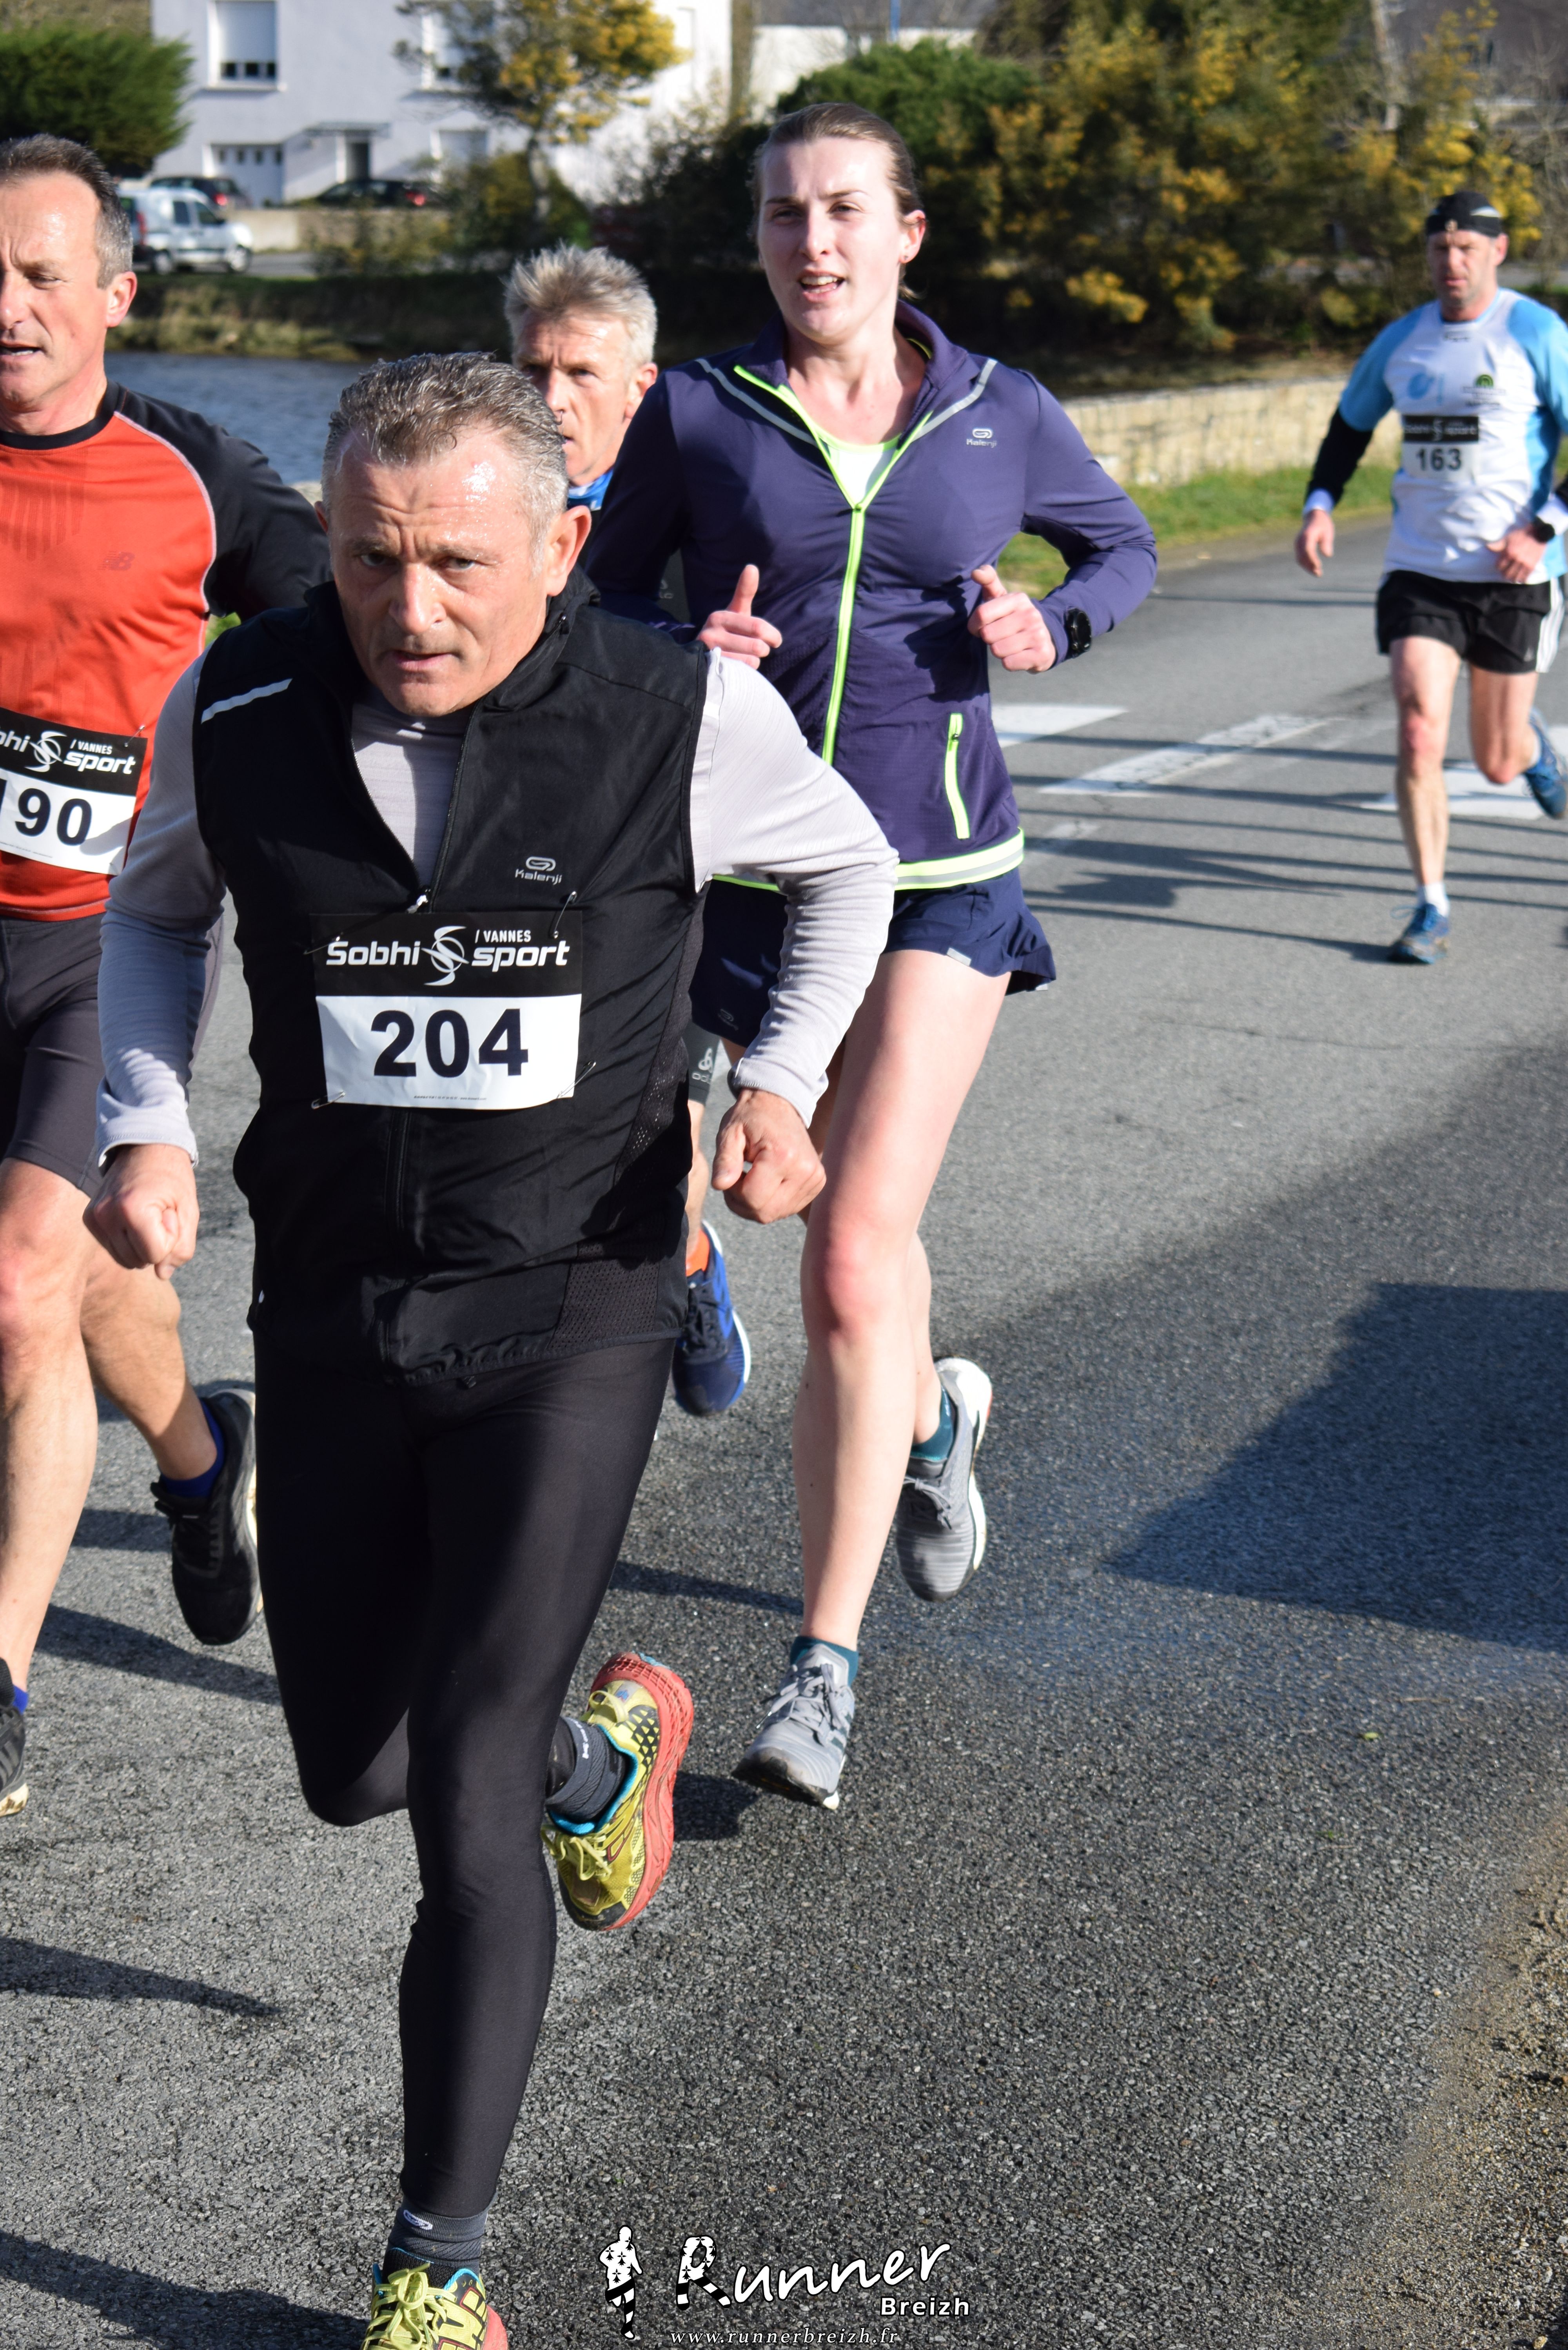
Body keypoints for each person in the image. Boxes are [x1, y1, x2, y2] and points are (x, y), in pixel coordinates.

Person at [88, 353, 894, 2349]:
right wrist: (145, 1120)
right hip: (336, 1300)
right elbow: (155, 910)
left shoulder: (673, 710)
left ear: (562, 543)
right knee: (356, 1767)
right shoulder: (243, 701)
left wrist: (784, 1084)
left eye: (458, 561)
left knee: (457, 1788)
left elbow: (848, 868)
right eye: (372, 558)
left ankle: (433, 2269)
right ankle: (593, 1751)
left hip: (574, 1294)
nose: (411, 605)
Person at [587, 102, 1157, 1809]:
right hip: (754, 887)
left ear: (907, 231)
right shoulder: (700, 409)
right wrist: (683, 642)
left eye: (843, 210)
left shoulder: (1000, 411)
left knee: (849, 1255)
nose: (812, 242)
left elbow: (1121, 545)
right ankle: (929, 1423)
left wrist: (1048, 621)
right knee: (806, 1232)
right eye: (783, 215)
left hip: (938, 881)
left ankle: (819, 1671)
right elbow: (596, 598)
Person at [0, 133, 332, 1822]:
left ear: (117, 292)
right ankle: (202, 1461)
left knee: (20, 1283)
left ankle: (0, 1679)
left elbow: (348, 631)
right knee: (81, 1276)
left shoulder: (197, 478)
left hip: (94, 951)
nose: (7, 307)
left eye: (41, 275)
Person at [509, 241, 750, 1416]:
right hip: (517, 868)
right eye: (534, 369)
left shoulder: (698, 512)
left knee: (662, 1143)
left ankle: (686, 1259)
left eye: (582, 374)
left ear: (641, 386)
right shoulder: (484, 499)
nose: (554, 399)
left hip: (665, 877)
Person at [1295, 188, 1568, 965]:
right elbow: (1348, 427)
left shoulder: (1534, 333)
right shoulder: (1402, 340)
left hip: (1515, 573)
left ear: (1497, 251)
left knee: (1495, 761)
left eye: (1466, 249)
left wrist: (1541, 528)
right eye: (1439, 250)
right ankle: (1430, 904)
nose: (1452, 263)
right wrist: (1319, 505)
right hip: (1420, 567)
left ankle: (1528, 748)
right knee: (1418, 729)